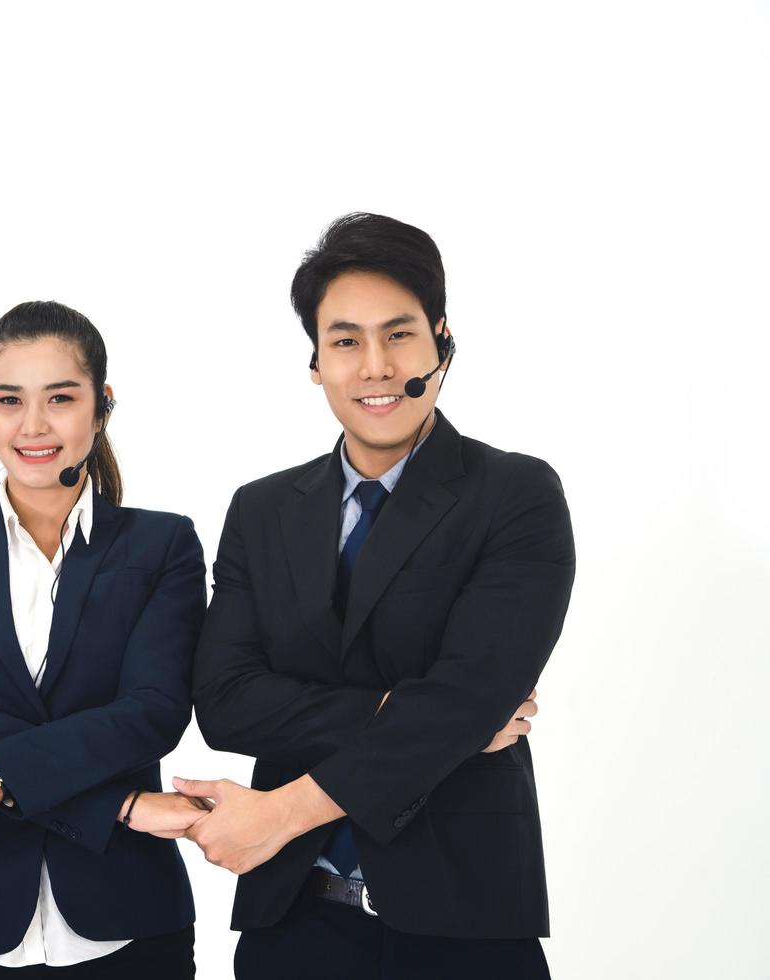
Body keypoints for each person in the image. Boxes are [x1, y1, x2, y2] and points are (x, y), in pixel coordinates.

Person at [182, 213, 574, 979]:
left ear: (442, 343)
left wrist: (279, 813)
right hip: (292, 921)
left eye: (399, 336)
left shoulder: (516, 495)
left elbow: (472, 694)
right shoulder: (262, 510)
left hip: (462, 925)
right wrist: (401, 711)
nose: (375, 367)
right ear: (316, 361)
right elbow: (225, 699)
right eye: (345, 341)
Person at [0, 301, 207, 978]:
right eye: (10, 400)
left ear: (102, 407)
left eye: (60, 398)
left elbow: (151, 713)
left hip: (130, 923)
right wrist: (117, 803)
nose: (34, 425)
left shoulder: (162, 543)